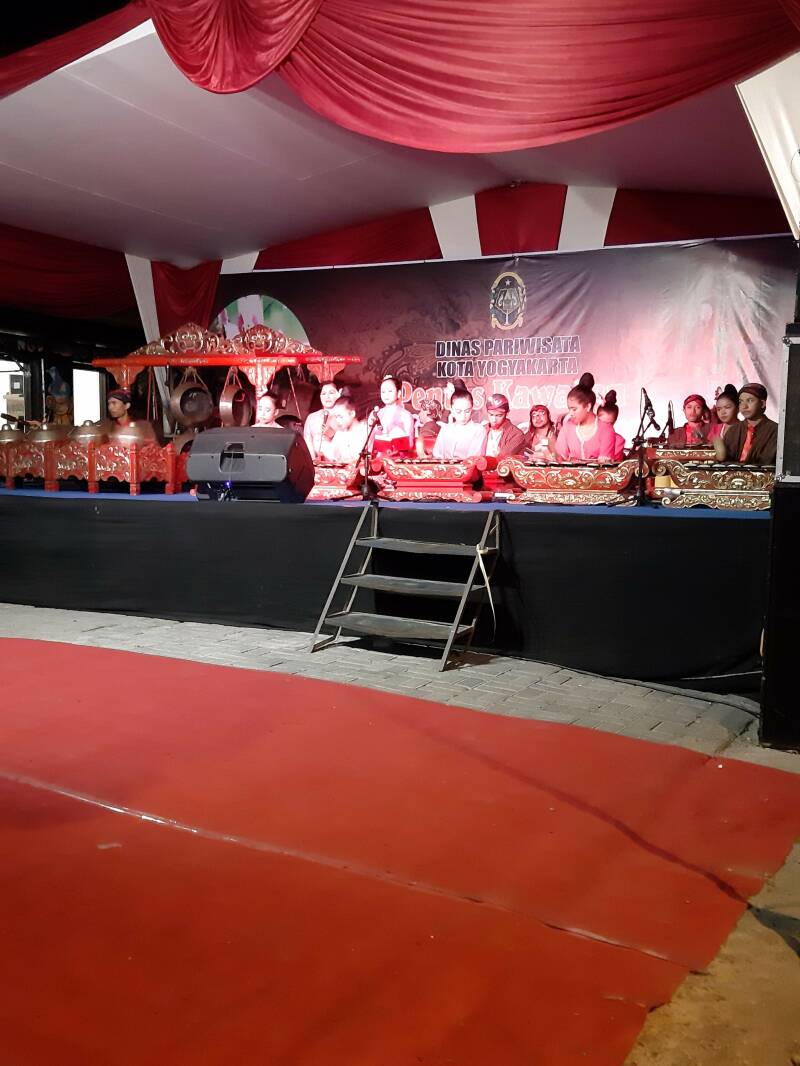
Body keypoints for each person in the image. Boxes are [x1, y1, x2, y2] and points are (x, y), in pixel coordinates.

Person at [555, 373, 616, 462]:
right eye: (569, 409)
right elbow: (559, 458)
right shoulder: (568, 426)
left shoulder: (606, 429)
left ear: (588, 406)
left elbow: (605, 466)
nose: (570, 413)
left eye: (574, 409)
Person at [713, 383, 778, 465]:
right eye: (740, 402)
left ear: (762, 403)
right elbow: (723, 460)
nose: (744, 406)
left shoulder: (775, 431)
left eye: (750, 400)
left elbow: (769, 461)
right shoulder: (733, 430)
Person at [433, 388, 488, 460]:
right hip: (445, 466)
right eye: (458, 411)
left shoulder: (478, 430)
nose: (463, 416)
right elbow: (437, 455)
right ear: (452, 410)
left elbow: (474, 459)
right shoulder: (445, 429)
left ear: (472, 409)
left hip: (468, 466)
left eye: (467, 411)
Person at [372, 374, 415, 456]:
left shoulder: (406, 415)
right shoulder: (377, 414)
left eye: (390, 391)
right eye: (383, 392)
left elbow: (410, 443)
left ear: (398, 393)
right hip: (379, 458)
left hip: (398, 458)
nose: (386, 394)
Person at [303, 381, 341, 460]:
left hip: (339, 461)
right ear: (320, 397)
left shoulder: (343, 416)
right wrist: (313, 462)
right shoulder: (311, 418)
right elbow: (308, 441)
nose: (327, 397)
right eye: (323, 394)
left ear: (338, 394)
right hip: (316, 461)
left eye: (331, 393)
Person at [325, 396, 369, 464]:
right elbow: (332, 456)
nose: (338, 420)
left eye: (340, 416)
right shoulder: (339, 434)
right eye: (336, 417)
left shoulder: (365, 431)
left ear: (352, 414)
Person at [484, 393, 526, 459]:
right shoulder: (482, 430)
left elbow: (502, 458)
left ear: (507, 413)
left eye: (499, 415)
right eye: (491, 415)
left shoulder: (516, 434)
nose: (494, 420)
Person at [596, 390, 626, 461]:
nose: (605, 427)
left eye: (609, 424)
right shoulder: (587, 435)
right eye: (602, 423)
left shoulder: (619, 440)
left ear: (615, 421)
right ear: (596, 418)